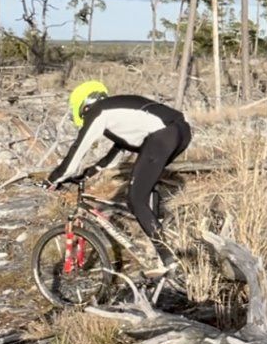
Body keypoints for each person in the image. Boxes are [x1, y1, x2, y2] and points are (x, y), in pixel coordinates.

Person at [45, 80, 192, 243]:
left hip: (164, 135)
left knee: (135, 200)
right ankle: (157, 241)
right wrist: (88, 174)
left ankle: (168, 258)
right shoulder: (116, 112)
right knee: (145, 189)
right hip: (181, 132)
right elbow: (116, 153)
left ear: (84, 105)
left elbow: (77, 149)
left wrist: (53, 178)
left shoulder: (98, 111)